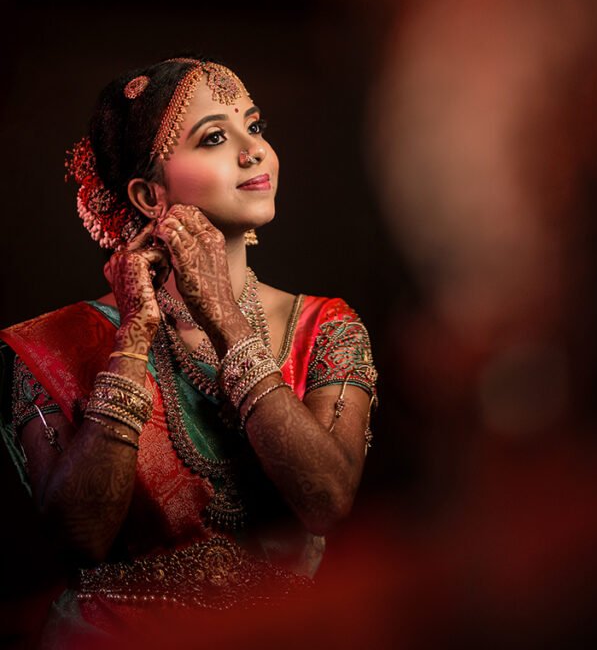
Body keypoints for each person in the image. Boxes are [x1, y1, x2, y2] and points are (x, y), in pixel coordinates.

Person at [0, 56, 377, 645]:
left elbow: (326, 501)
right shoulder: (55, 346)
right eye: (215, 138)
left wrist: (225, 319)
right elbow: (80, 537)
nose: (254, 152)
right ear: (150, 195)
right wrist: (133, 337)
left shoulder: (326, 327)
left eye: (256, 127)